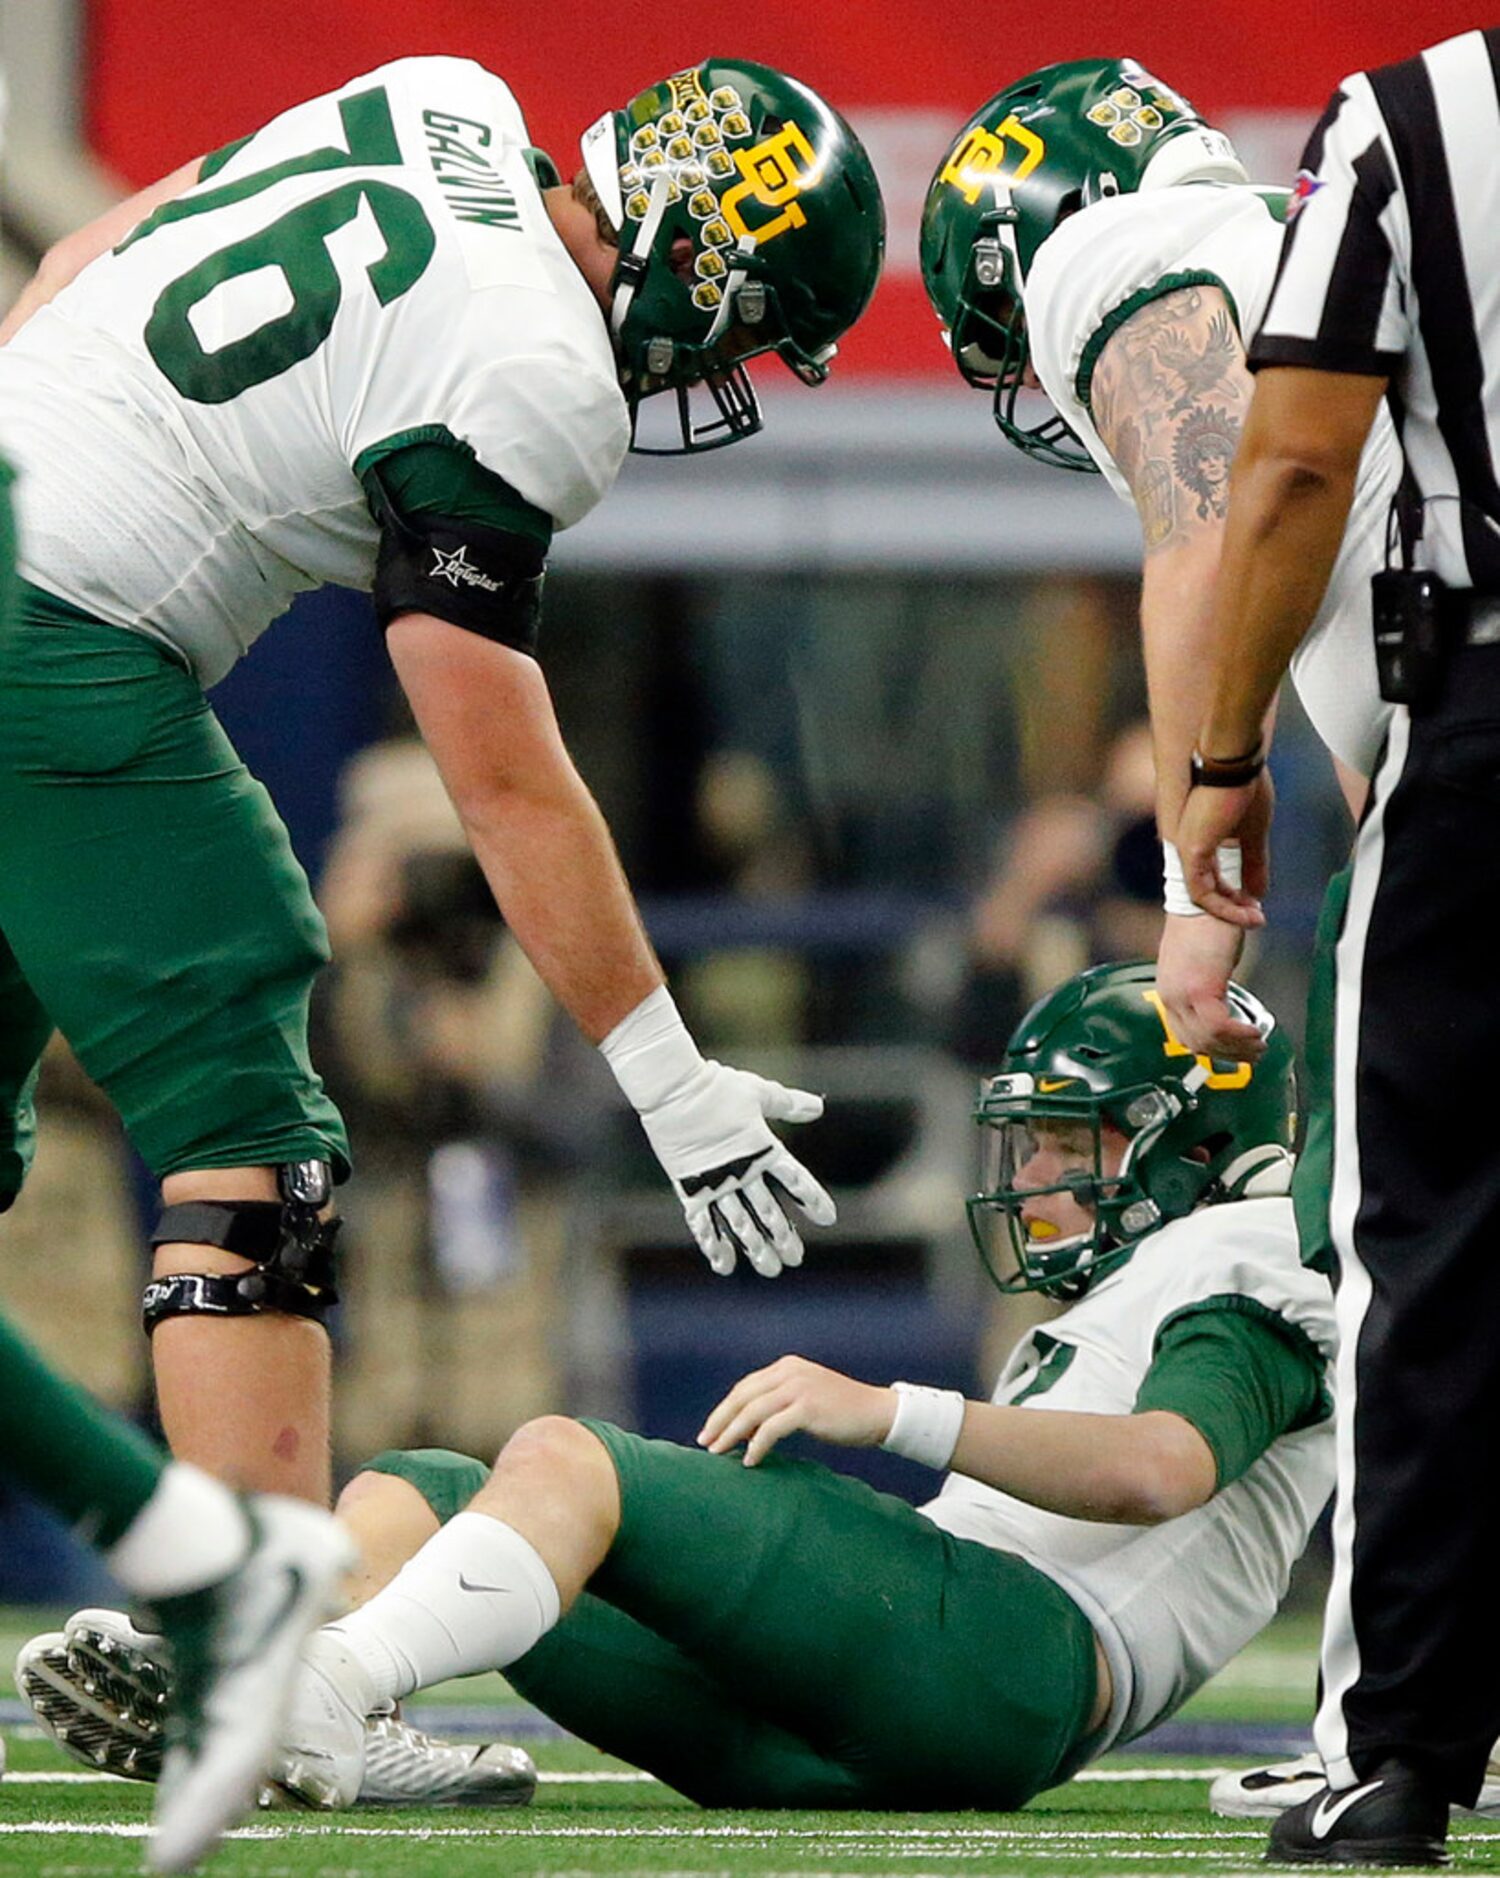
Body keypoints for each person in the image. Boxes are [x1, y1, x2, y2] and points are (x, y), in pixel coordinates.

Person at [0, 57, 884, 1521]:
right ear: (700, 259)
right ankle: (261, 1653)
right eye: (749, 332)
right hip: (61, 631)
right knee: (252, 1147)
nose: (715, 371)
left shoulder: (438, 97)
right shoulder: (536, 374)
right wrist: (670, 1080)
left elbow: (99, 250)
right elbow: (507, 784)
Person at [25, 962, 1335, 1814]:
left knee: (568, 1458)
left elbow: (1165, 1464)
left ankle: (322, 1677)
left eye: (1072, 1140)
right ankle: (291, 1677)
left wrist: (892, 1407)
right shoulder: (1171, 1263)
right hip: (900, 1704)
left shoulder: (1251, 1251)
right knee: (440, 1485)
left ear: (1197, 1138)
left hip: (1013, 1655)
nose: (1042, 1176)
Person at [1169, 25, 1500, 1867]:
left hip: (1487, 725)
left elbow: (1295, 460)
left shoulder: (1410, 122)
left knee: (1435, 1248)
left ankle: (1402, 1755)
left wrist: (1223, 756)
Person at [918, 57, 1399, 1054]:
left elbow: (1212, 533)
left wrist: (1197, 899)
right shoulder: (1287, 251)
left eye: (1011, 334)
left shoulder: (1108, 253)